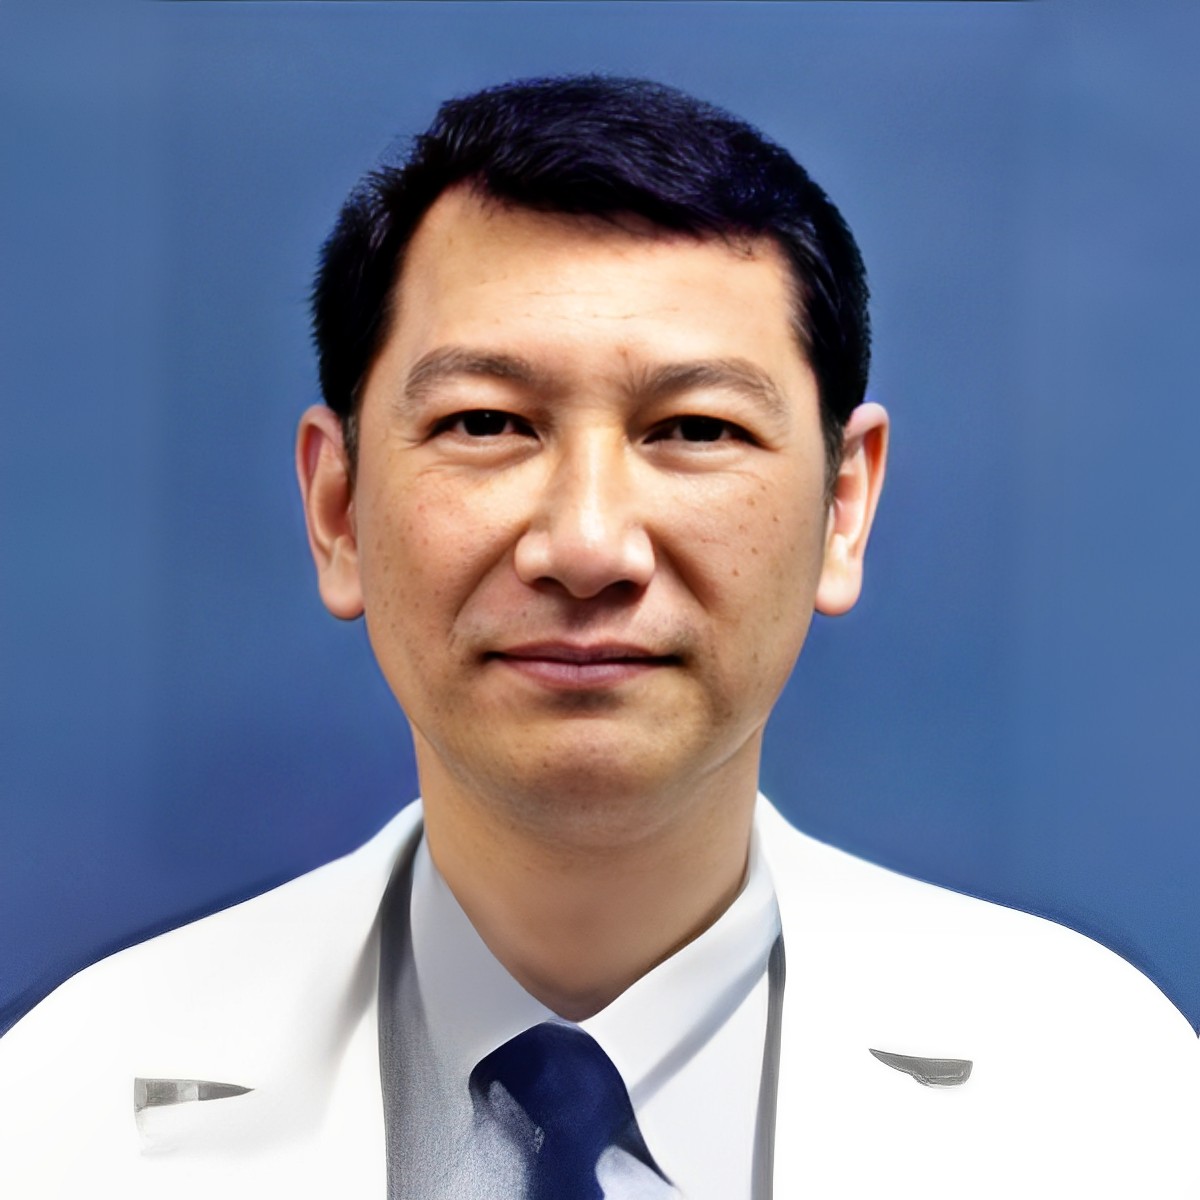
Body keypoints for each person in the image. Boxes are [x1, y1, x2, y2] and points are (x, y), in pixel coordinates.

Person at [0, 75, 1195, 1199]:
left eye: (695, 429)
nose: (586, 544)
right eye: (486, 422)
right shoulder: (52, 1114)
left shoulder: (1117, 1103)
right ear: (338, 509)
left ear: (844, 508)